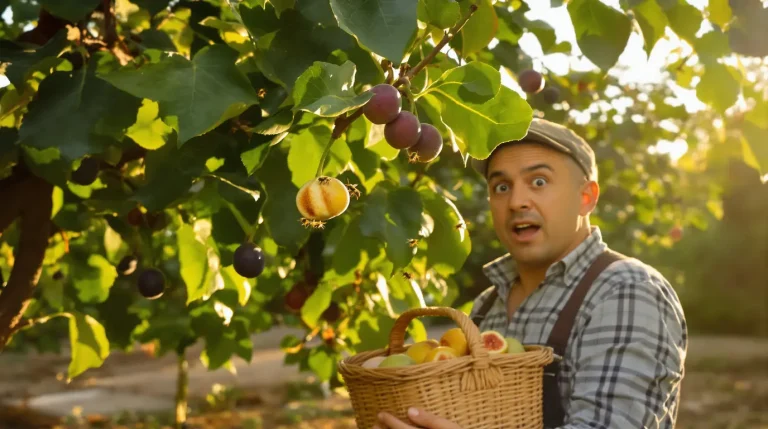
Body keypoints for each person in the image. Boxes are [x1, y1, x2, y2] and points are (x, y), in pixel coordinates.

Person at [374, 118, 688, 429]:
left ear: (586, 198)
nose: (516, 202)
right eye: (501, 187)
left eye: (538, 181)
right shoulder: (487, 307)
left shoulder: (625, 290)